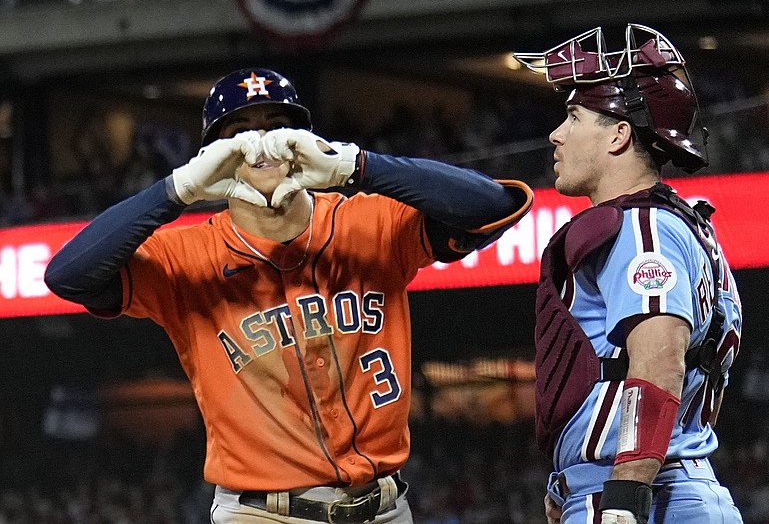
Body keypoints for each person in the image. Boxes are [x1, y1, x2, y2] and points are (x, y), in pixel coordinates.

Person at [44, 68, 533, 523]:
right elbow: (69, 275)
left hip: (385, 507)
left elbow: (492, 205)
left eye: (278, 126)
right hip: (260, 513)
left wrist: (357, 165)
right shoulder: (183, 257)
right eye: (238, 133)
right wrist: (178, 189)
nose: (261, 145)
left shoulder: (369, 221)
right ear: (212, 154)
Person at [512, 25, 743, 523]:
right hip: (668, 484)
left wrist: (624, 495)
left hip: (652, 495)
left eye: (574, 116)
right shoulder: (677, 223)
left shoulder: (642, 227)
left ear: (619, 134)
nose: (556, 133)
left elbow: (659, 364)